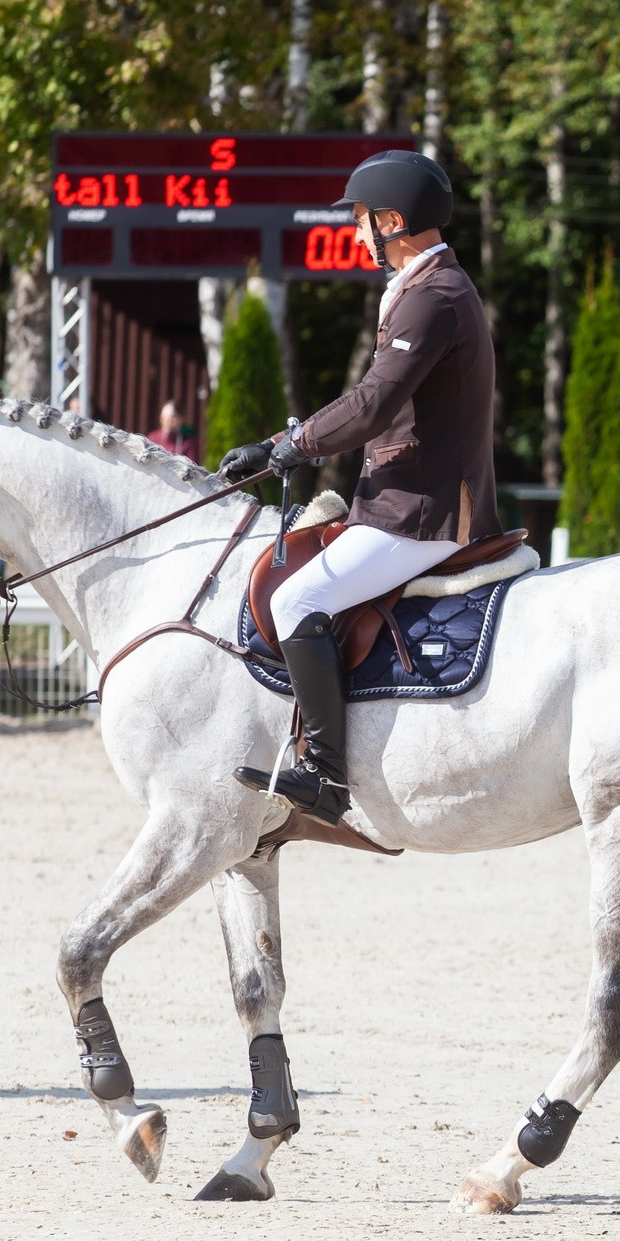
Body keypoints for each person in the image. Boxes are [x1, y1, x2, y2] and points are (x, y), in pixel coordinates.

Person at [219, 149, 496, 825]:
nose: (356, 230)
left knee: (298, 598)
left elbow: (372, 405)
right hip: (402, 499)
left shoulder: (434, 296)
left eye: (363, 219)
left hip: (421, 513)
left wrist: (289, 445)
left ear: (394, 220)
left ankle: (326, 776)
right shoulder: (426, 287)